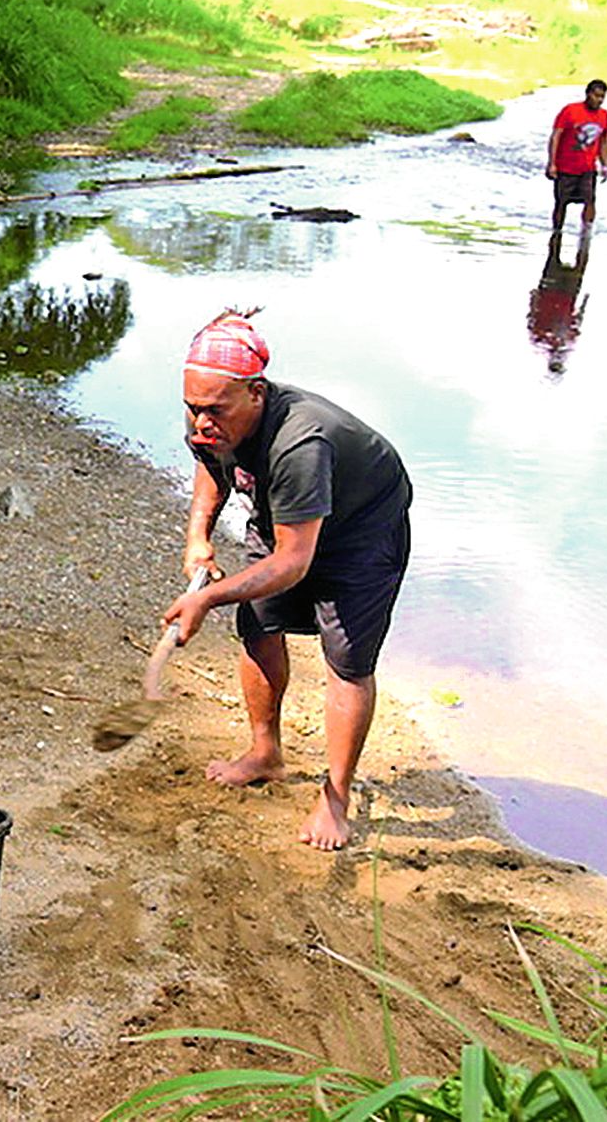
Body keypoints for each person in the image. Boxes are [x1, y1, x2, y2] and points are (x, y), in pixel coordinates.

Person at [162, 312, 413, 851]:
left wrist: (207, 596)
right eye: (192, 408)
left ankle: (336, 797)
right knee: (257, 624)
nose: (200, 422)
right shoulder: (210, 419)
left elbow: (294, 563)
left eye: (214, 410)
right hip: (289, 516)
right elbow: (211, 463)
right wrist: (198, 538)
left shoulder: (302, 443)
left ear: (256, 393)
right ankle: (265, 754)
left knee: (347, 660)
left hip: (361, 532)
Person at [546, 80, 607, 238]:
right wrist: (552, 163)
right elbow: (556, 136)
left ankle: (586, 233)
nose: (599, 100)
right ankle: (556, 233)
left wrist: (604, 165)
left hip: (588, 168)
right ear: (588, 94)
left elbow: (603, 141)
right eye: (596, 96)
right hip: (566, 167)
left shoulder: (604, 116)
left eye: (602, 97)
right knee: (562, 202)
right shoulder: (570, 111)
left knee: (590, 200)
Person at [526, 229, 589, 378]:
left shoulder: (540, 340)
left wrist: (533, 298)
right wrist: (584, 304)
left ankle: (559, 232)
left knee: (554, 257)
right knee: (579, 262)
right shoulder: (567, 342)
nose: (558, 359)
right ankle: (584, 236)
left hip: (550, 292)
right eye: (560, 363)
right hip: (567, 296)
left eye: (555, 363)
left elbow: (531, 317)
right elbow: (577, 321)